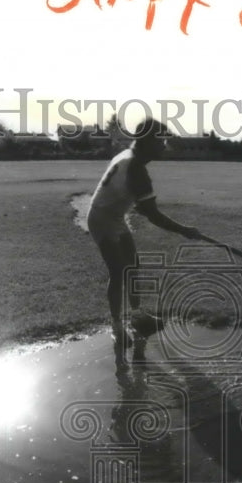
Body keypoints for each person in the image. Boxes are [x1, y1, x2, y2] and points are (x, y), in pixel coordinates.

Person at [87, 118, 201, 367]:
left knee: (133, 267)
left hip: (115, 215)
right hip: (101, 219)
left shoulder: (130, 156)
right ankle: (117, 327)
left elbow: (136, 201)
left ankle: (137, 316)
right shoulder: (136, 169)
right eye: (161, 141)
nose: (165, 146)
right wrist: (184, 230)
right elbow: (153, 214)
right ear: (148, 141)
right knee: (118, 272)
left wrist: (138, 204)